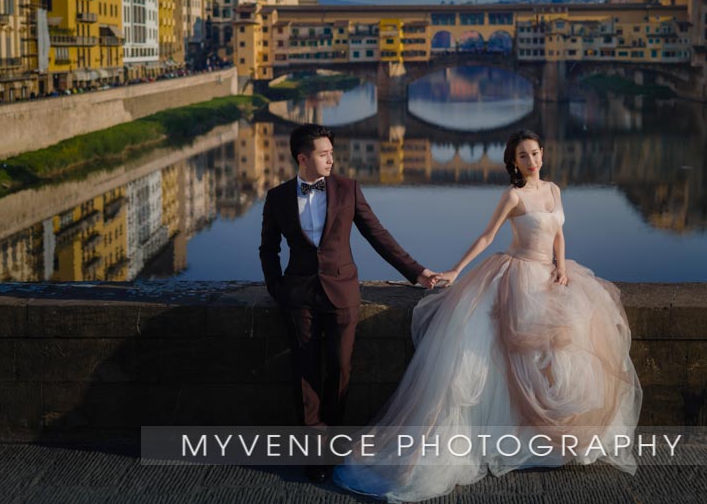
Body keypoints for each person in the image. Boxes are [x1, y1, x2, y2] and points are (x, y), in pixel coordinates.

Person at [334, 129, 642, 501]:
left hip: (552, 276)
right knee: (505, 358)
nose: (531, 161)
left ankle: (550, 441)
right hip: (519, 275)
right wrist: (456, 270)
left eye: (535, 153)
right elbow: (487, 237)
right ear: (513, 163)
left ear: (543, 154)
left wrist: (561, 267)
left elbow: (559, 234)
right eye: (523, 156)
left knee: (562, 355)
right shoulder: (514, 196)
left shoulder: (555, 190)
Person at [259, 123, 439, 484]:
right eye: (324, 154)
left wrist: (416, 272)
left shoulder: (347, 189)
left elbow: (377, 234)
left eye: (331, 153)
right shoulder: (277, 197)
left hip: (341, 293)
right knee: (305, 376)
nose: (331, 159)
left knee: (340, 369)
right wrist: (279, 290)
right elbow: (268, 249)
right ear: (303, 158)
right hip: (299, 298)